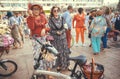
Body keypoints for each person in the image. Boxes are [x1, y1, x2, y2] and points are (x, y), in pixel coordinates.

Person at [48, 6, 70, 71]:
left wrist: (61, 32)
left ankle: (66, 65)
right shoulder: (50, 20)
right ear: (52, 12)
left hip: (63, 38)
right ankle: (58, 66)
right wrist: (56, 32)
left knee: (65, 52)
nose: (56, 12)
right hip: (55, 39)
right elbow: (49, 30)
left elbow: (66, 27)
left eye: (57, 10)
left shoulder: (62, 18)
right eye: (54, 10)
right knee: (57, 52)